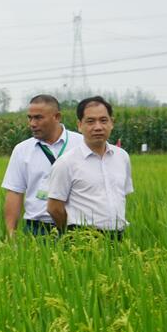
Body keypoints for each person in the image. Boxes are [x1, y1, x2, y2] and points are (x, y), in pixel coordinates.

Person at [46, 96, 133, 238]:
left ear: (112, 123)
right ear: (80, 125)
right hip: (83, 238)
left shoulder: (122, 157)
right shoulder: (66, 162)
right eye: (90, 121)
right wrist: (72, 233)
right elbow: (54, 207)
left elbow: (122, 195)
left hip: (118, 236)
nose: (98, 127)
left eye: (103, 120)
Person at [2, 95, 85, 236]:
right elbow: (15, 193)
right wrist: (11, 234)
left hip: (78, 228)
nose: (32, 123)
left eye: (38, 118)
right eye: (30, 118)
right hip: (37, 230)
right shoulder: (22, 150)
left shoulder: (81, 144)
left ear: (57, 117)